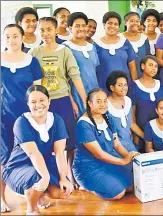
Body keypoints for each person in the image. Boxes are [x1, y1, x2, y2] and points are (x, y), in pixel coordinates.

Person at [29, 17, 87, 189]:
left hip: (62, 101)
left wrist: (84, 101)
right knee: (44, 143)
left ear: (56, 31)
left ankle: (70, 175)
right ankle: (48, 179)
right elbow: (31, 80)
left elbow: (74, 76)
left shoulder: (64, 51)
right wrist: (37, 103)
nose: (45, 33)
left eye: (49, 29)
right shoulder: (35, 52)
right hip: (42, 104)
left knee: (69, 143)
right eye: (42, 30)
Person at [2, 85, 74, 215]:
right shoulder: (21, 122)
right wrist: (45, 176)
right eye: (33, 102)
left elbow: (59, 152)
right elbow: (33, 153)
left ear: (49, 101)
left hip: (44, 164)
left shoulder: (56, 120)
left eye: (42, 100)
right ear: (28, 104)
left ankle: (39, 194)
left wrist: (63, 177)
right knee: (38, 176)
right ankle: (32, 209)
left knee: (61, 192)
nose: (38, 105)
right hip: (18, 167)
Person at [1, 24, 43, 213]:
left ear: (22, 37)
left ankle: (36, 198)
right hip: (4, 117)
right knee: (4, 158)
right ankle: (1, 198)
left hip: (27, 117)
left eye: (15, 36)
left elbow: (39, 91)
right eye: (7, 36)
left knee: (32, 156)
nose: (12, 40)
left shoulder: (31, 61)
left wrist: (38, 114)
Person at [73, 88, 139, 200]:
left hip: (106, 163)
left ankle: (99, 184)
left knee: (131, 187)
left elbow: (117, 145)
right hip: (88, 168)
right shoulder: (84, 124)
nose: (103, 104)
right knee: (119, 194)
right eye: (98, 101)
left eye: (104, 101)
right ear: (90, 103)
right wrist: (123, 161)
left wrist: (130, 155)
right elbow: (98, 154)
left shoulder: (107, 116)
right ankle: (87, 187)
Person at [64, 12, 100, 118]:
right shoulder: (65, 47)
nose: (81, 28)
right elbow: (63, 78)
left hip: (93, 94)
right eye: (77, 26)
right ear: (70, 28)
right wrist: (71, 100)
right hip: (76, 96)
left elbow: (95, 72)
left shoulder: (92, 47)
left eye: (83, 26)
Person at [128, 55, 163, 152]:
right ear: (142, 66)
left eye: (156, 66)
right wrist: (139, 135)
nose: (154, 68)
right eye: (150, 65)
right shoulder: (133, 86)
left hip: (161, 135)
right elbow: (131, 116)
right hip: (141, 134)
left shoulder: (161, 85)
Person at [94, 11, 138, 88]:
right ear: (104, 25)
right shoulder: (96, 44)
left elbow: (133, 67)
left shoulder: (125, 42)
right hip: (103, 85)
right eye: (110, 23)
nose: (113, 26)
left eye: (116, 24)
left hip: (124, 86)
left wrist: (134, 86)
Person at [106, 70, 141, 152]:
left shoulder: (128, 100)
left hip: (129, 145)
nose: (124, 88)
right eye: (120, 85)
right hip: (113, 148)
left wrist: (148, 138)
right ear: (112, 87)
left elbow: (132, 124)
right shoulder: (105, 104)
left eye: (125, 85)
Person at [122, 12, 151, 78]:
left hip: (142, 76)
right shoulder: (119, 38)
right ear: (125, 22)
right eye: (132, 21)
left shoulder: (144, 38)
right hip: (124, 76)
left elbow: (148, 58)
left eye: (137, 21)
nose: (135, 23)